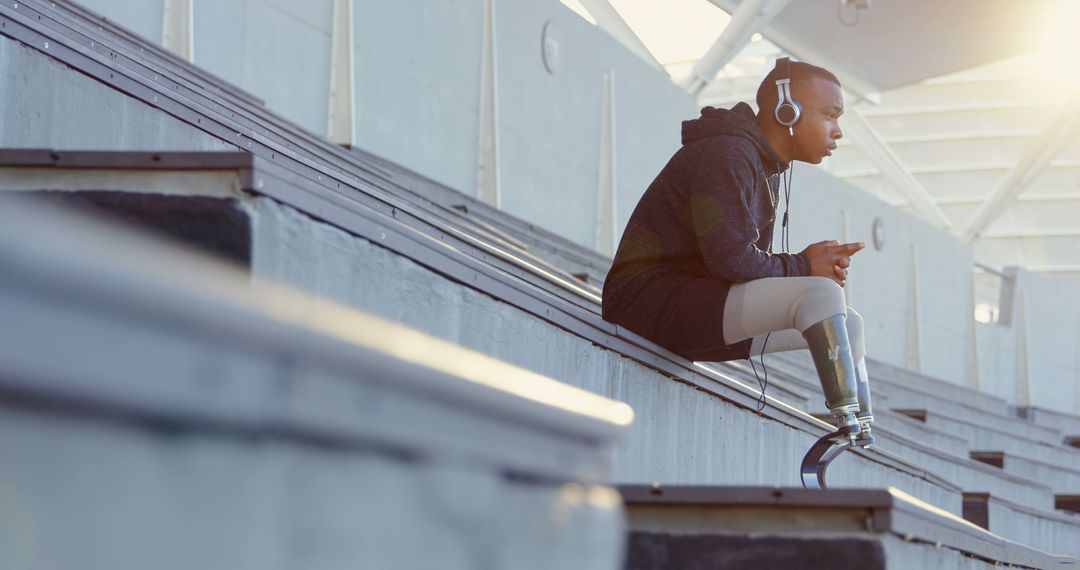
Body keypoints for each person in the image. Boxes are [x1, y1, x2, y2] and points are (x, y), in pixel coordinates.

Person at [602, 58, 873, 444]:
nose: (839, 131)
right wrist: (804, 265)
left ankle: (861, 429)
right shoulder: (727, 154)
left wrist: (803, 267)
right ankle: (844, 420)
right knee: (823, 292)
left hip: (694, 307)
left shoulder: (762, 165)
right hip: (646, 305)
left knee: (848, 321)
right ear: (787, 109)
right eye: (830, 114)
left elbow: (735, 266)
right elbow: (730, 260)